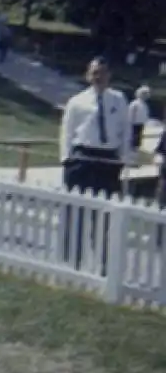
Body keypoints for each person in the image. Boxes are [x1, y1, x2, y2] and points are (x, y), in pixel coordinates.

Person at [59, 56, 133, 271]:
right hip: (82, 158)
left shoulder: (119, 100)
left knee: (105, 216)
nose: (98, 77)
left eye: (102, 72)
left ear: (109, 75)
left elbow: (125, 131)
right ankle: (72, 262)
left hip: (108, 160)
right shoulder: (77, 101)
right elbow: (67, 132)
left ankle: (104, 264)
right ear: (88, 75)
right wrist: (66, 159)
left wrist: (124, 157)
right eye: (94, 72)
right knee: (76, 213)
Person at [128, 85, 151, 151]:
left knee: (139, 138)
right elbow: (130, 114)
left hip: (142, 124)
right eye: (144, 93)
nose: (146, 95)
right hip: (134, 124)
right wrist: (130, 123)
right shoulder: (134, 103)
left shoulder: (144, 104)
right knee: (134, 138)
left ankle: (137, 149)